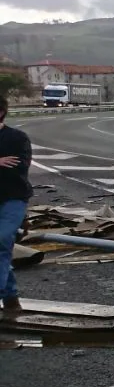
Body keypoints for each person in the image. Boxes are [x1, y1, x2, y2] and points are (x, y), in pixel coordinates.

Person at [0, 96, 32, 315]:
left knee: (0, 240)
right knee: (2, 247)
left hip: (13, 199)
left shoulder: (17, 137)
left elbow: (18, 166)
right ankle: (11, 298)